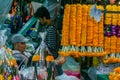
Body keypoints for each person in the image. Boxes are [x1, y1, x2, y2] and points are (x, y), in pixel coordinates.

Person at [34, 6, 66, 77]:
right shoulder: (47, 27)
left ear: (44, 18)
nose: (39, 21)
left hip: (52, 61)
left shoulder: (51, 29)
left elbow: (51, 46)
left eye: (40, 19)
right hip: (48, 60)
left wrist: (42, 48)